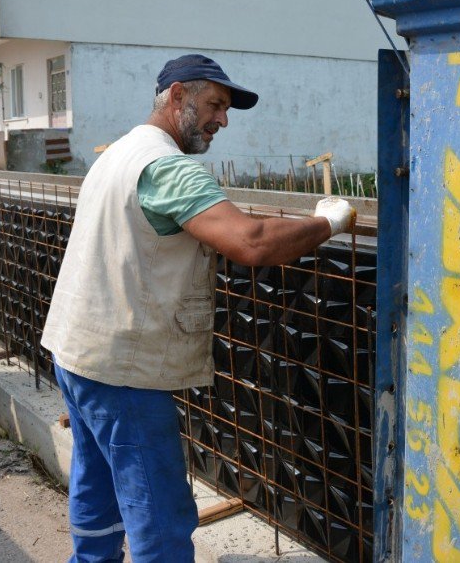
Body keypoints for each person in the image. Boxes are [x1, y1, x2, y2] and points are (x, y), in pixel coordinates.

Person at [40, 54, 355, 563]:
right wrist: (326, 223)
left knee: (97, 489)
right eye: (215, 104)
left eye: (227, 109)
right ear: (177, 96)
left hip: (77, 352)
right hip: (125, 372)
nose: (223, 120)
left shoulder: (119, 153)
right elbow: (250, 241)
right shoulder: (167, 167)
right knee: (160, 517)